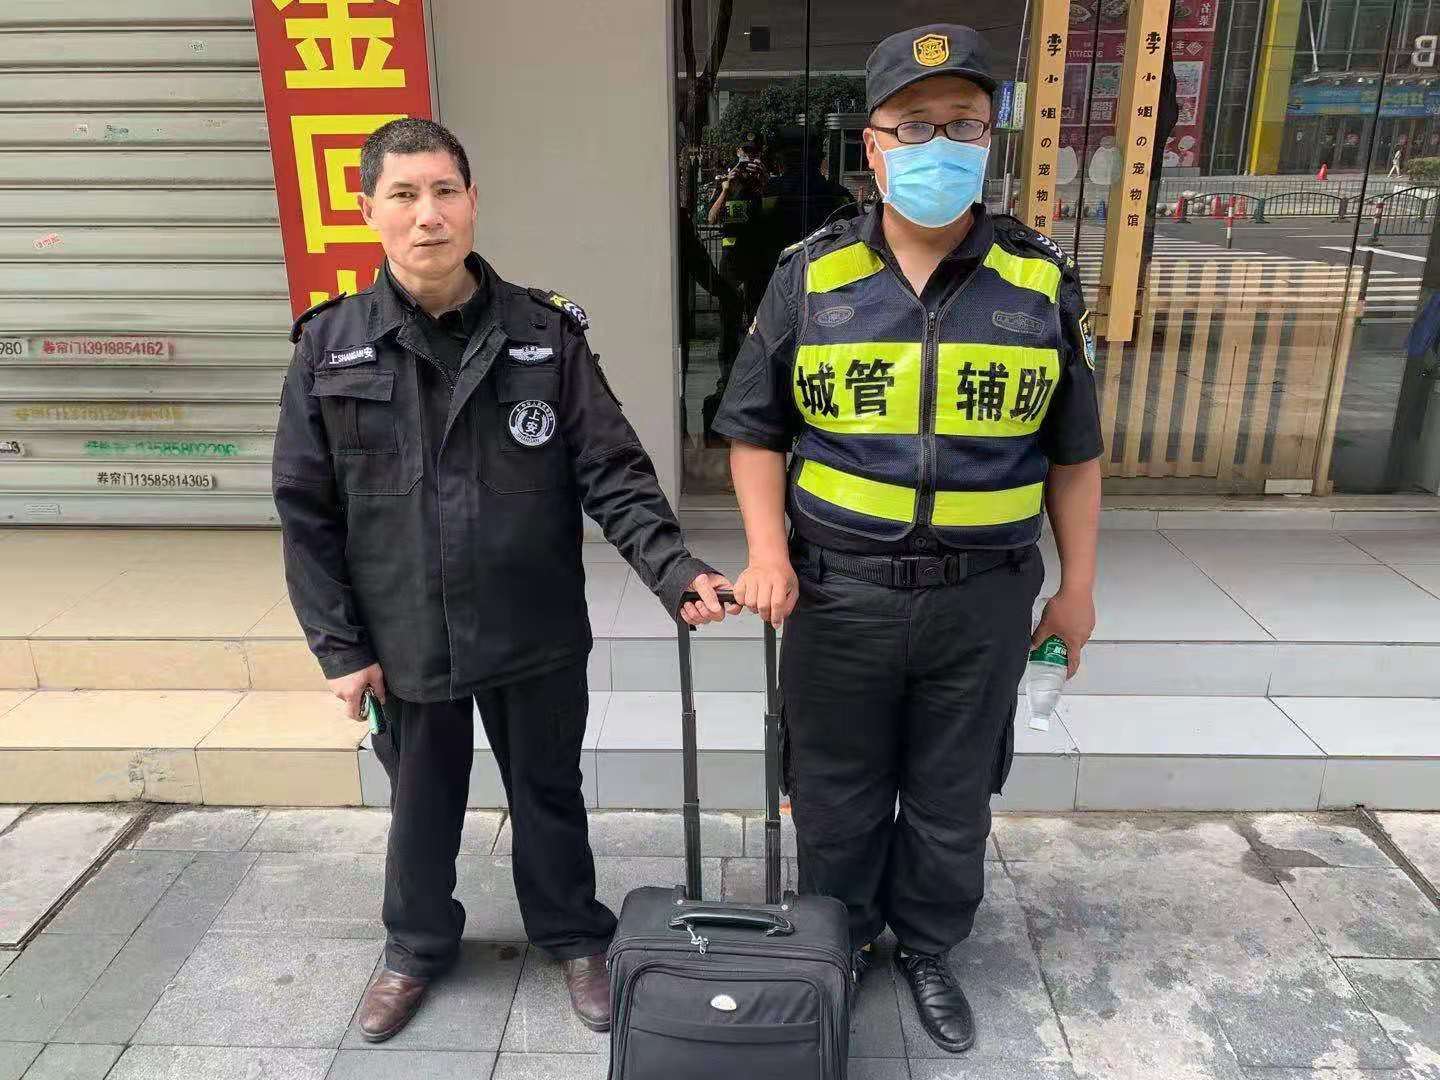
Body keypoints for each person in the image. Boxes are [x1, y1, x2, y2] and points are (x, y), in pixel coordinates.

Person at [272, 118, 731, 1042]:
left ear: (473, 202)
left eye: (445, 191)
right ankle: (414, 948)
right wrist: (339, 647)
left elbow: (612, 469)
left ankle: (573, 935)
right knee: (420, 806)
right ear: (368, 211)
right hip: (406, 630)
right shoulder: (331, 346)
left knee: (547, 793)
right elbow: (306, 510)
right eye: (404, 195)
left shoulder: (544, 335)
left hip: (533, 625)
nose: (428, 215)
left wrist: (673, 567)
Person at [712, 25, 1103, 1054]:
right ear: (873, 146)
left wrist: (1077, 589)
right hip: (840, 591)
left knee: (952, 792)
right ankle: (837, 943)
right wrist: (766, 552)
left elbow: (1075, 453)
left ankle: (928, 946)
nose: (941, 144)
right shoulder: (811, 275)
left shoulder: (1038, 280)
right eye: (915, 125)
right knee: (834, 791)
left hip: (983, 596)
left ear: (990, 138)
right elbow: (753, 431)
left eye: (962, 124)